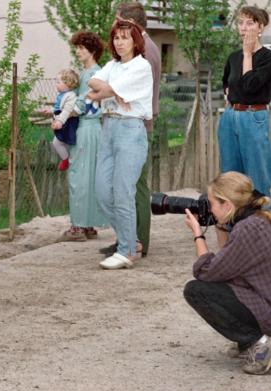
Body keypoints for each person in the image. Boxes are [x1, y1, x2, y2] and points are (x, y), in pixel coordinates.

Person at [182, 171, 271, 375]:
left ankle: (262, 342)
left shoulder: (248, 229)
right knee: (229, 281)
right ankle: (253, 340)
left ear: (227, 205)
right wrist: (221, 224)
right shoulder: (263, 218)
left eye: (211, 204)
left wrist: (197, 235)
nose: (209, 209)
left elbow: (206, 271)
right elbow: (227, 265)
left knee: (196, 290)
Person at [88, 19, 153, 270]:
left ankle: (126, 251)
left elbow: (100, 91)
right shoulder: (112, 65)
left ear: (135, 40)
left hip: (130, 130)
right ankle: (130, 239)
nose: (120, 42)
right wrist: (106, 91)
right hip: (108, 128)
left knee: (124, 192)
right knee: (103, 192)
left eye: (125, 37)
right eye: (116, 38)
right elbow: (93, 83)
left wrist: (105, 92)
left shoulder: (141, 66)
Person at [100, 1, 162, 258]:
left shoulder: (143, 50)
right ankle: (128, 238)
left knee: (133, 187)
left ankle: (136, 241)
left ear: (129, 22)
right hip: (132, 120)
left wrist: (106, 90)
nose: (115, 27)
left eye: (117, 20)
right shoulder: (149, 46)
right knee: (126, 186)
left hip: (136, 123)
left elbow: (113, 87)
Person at [218, 6, 271, 200]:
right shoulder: (233, 57)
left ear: (260, 27)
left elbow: (250, 85)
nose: (244, 27)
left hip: (253, 117)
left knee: (257, 178)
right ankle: (233, 226)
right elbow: (227, 85)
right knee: (230, 178)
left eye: (250, 23)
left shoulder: (269, 58)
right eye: (240, 22)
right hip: (230, 117)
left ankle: (264, 224)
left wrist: (247, 54)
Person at [59, 31, 108, 242]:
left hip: (86, 127)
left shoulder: (91, 75)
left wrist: (60, 117)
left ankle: (78, 226)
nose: (78, 51)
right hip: (95, 128)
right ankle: (88, 224)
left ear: (92, 50)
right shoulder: (94, 72)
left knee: (78, 175)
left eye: (81, 48)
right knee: (90, 176)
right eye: (77, 48)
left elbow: (81, 105)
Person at [49, 68, 79, 172]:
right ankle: (68, 159)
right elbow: (58, 108)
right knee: (62, 143)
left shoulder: (71, 96)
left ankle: (66, 160)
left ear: (68, 83)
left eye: (58, 82)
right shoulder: (61, 95)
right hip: (61, 120)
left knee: (57, 142)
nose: (56, 84)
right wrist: (49, 110)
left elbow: (67, 110)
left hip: (67, 122)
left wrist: (60, 121)